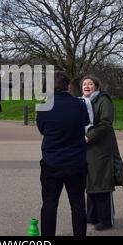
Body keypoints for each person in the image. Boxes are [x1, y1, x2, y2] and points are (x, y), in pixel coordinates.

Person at [36, 71, 90, 236]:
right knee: (78, 203)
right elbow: (86, 122)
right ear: (67, 85)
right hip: (76, 161)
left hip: (52, 161)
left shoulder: (44, 106)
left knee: (50, 204)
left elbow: (42, 129)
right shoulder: (79, 104)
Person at [81, 76, 123, 231]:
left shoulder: (103, 100)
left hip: (101, 146)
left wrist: (88, 136)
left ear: (97, 86)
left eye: (90, 84)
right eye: (84, 84)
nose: (87, 86)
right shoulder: (83, 102)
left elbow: (106, 123)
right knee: (91, 182)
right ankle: (92, 216)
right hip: (87, 148)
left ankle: (106, 220)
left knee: (102, 182)